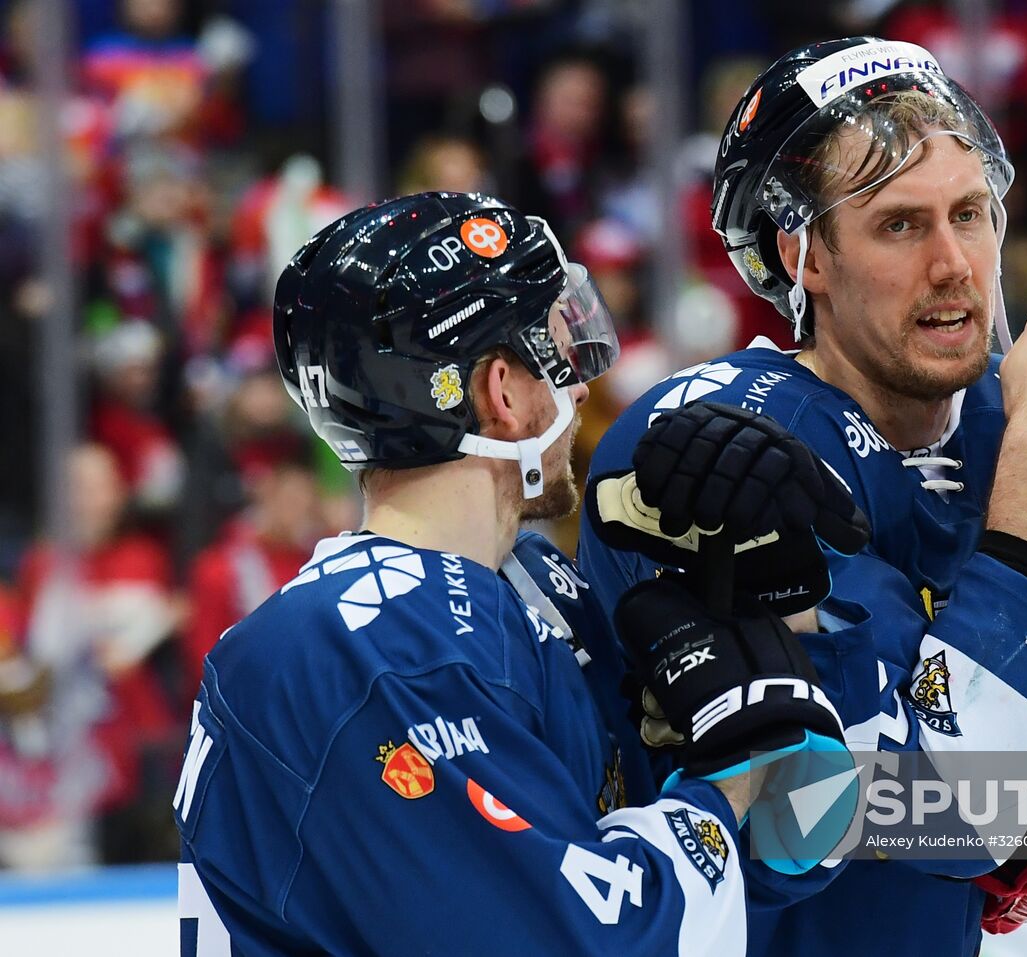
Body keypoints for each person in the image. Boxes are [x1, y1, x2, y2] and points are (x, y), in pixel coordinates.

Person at [580, 38, 1027, 955]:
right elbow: (951, 811)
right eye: (901, 225)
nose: (955, 263)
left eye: (970, 213)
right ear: (803, 254)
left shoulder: (1025, 419)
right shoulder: (716, 445)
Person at [174, 192, 857, 955]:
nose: (581, 387)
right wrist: (723, 794)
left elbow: (790, 848)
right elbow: (589, 942)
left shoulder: (533, 588)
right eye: (557, 353)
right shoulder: (358, 651)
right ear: (500, 392)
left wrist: (786, 672)